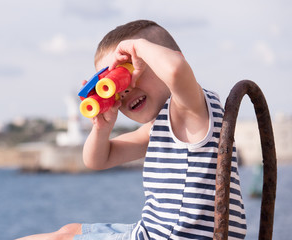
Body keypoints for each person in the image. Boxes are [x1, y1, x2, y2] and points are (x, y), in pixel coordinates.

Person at [16, 19, 247, 240]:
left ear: (170, 58)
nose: (124, 89)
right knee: (69, 230)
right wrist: (101, 128)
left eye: (130, 70)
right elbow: (97, 160)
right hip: (153, 233)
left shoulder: (190, 110)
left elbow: (176, 71)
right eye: (114, 83)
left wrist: (135, 46)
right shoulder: (160, 128)